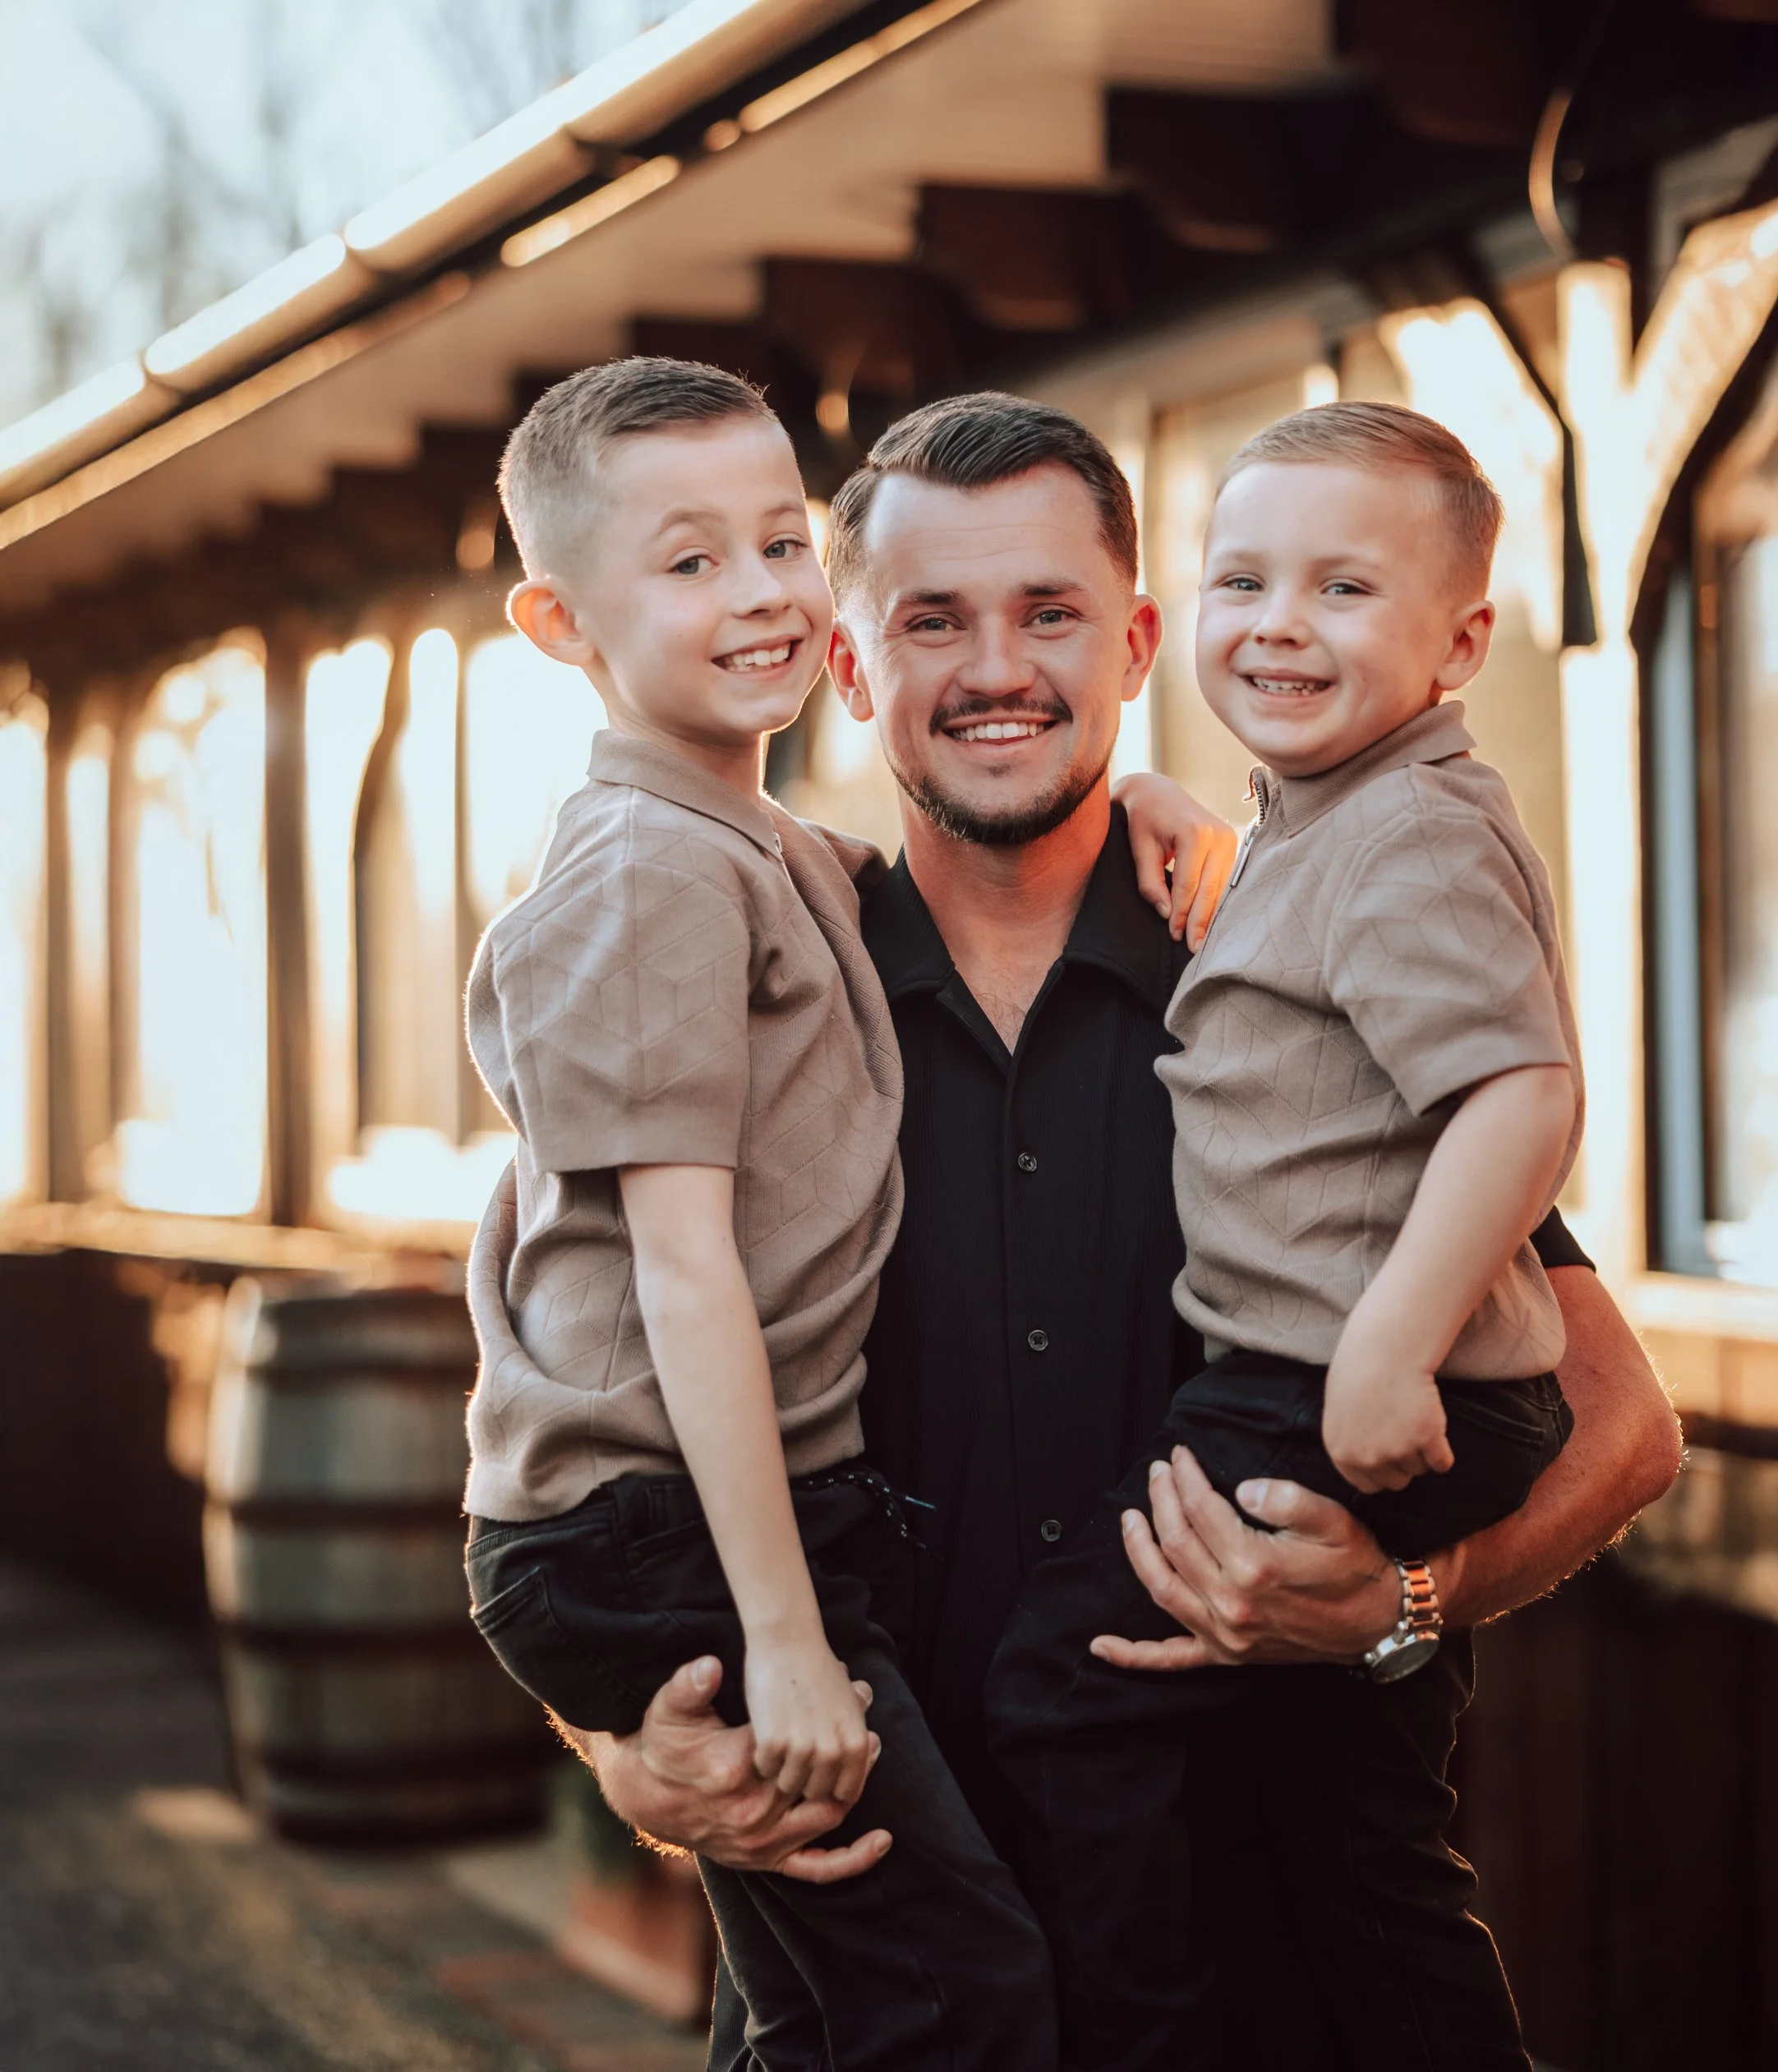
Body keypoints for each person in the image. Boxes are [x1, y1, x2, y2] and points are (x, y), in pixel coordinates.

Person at [558, 391, 1684, 2068]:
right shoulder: (747, 996)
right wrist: (618, 1748)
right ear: (853, 672)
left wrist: (1400, 1602)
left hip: (1291, 1983)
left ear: (1137, 640)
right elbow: (571, 1444)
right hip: (888, 2000)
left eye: (1051, 614)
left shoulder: (1278, 978)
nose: (995, 668)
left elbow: (1621, 1424)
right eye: (931, 620)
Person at [457, 360, 1222, 2070]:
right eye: (685, 563)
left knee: (857, 2019)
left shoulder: (783, 868)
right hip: (699, 1555)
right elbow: (654, 1286)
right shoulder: (662, 877)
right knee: (949, 2010)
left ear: (1131, 644)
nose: (753, 597)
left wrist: (1163, 807)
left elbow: (1599, 1415)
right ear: (557, 619)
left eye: (773, 546)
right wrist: (714, 1692)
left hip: (1219, 1897)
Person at [985, 398, 1579, 2070]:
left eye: (1340, 590)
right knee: (1350, 1836)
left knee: (1062, 1693)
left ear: (1459, 640)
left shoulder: (1407, 833)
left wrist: (1387, 1348)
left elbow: (1520, 1097)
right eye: (1242, 580)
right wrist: (1154, 793)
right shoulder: (1318, 824)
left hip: (1337, 1379)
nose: (1276, 626)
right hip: (1339, 1370)